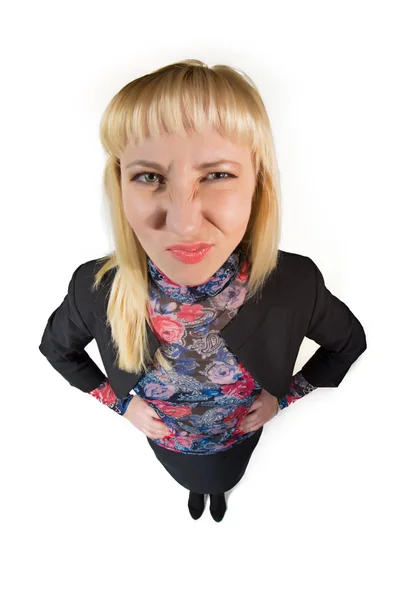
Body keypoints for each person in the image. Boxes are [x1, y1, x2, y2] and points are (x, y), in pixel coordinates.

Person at [38, 59, 367, 522]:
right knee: (192, 482)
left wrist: (285, 397)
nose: (184, 222)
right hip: (167, 444)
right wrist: (120, 406)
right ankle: (196, 492)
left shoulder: (296, 283)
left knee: (223, 480)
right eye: (150, 176)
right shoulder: (94, 289)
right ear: (120, 186)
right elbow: (57, 350)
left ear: (259, 183)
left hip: (239, 439)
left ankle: (217, 494)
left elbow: (348, 343)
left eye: (216, 175)